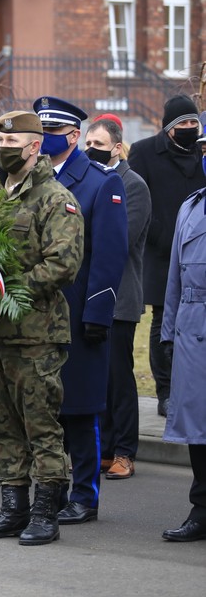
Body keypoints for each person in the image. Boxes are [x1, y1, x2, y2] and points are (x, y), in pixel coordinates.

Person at [0, 112, 84, 546]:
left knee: (41, 425)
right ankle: (13, 506)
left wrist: (8, 291)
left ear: (35, 145)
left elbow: (63, 263)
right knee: (1, 424)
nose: (4, 145)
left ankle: (45, 510)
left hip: (36, 333)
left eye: (13, 138)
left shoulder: (56, 198)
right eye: (0, 137)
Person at [33, 96, 128, 527]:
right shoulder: (30, 179)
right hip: (35, 315)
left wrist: (97, 315)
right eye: (42, 132)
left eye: (52, 132)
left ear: (73, 136)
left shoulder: (99, 182)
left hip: (76, 316)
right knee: (43, 410)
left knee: (80, 409)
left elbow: (110, 256)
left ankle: (85, 496)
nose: (44, 139)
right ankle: (48, 491)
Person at [128, 95, 206, 417]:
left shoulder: (201, 151)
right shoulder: (145, 151)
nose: (189, 128)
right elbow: (138, 196)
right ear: (168, 128)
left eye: (193, 123)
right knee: (163, 322)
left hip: (199, 249)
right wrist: (160, 234)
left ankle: (192, 387)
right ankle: (165, 391)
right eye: (182, 124)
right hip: (161, 251)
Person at [85, 115, 151, 480]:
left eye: (100, 144)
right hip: (92, 293)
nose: (93, 150)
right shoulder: (92, 181)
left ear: (118, 147)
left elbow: (121, 238)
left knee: (120, 378)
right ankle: (106, 448)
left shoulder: (133, 184)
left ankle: (125, 450)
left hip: (121, 295)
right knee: (99, 378)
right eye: (88, 143)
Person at [160, 179, 206, 543]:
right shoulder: (191, 205)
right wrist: (168, 333)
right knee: (196, 426)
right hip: (192, 326)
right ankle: (201, 508)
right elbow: (174, 277)